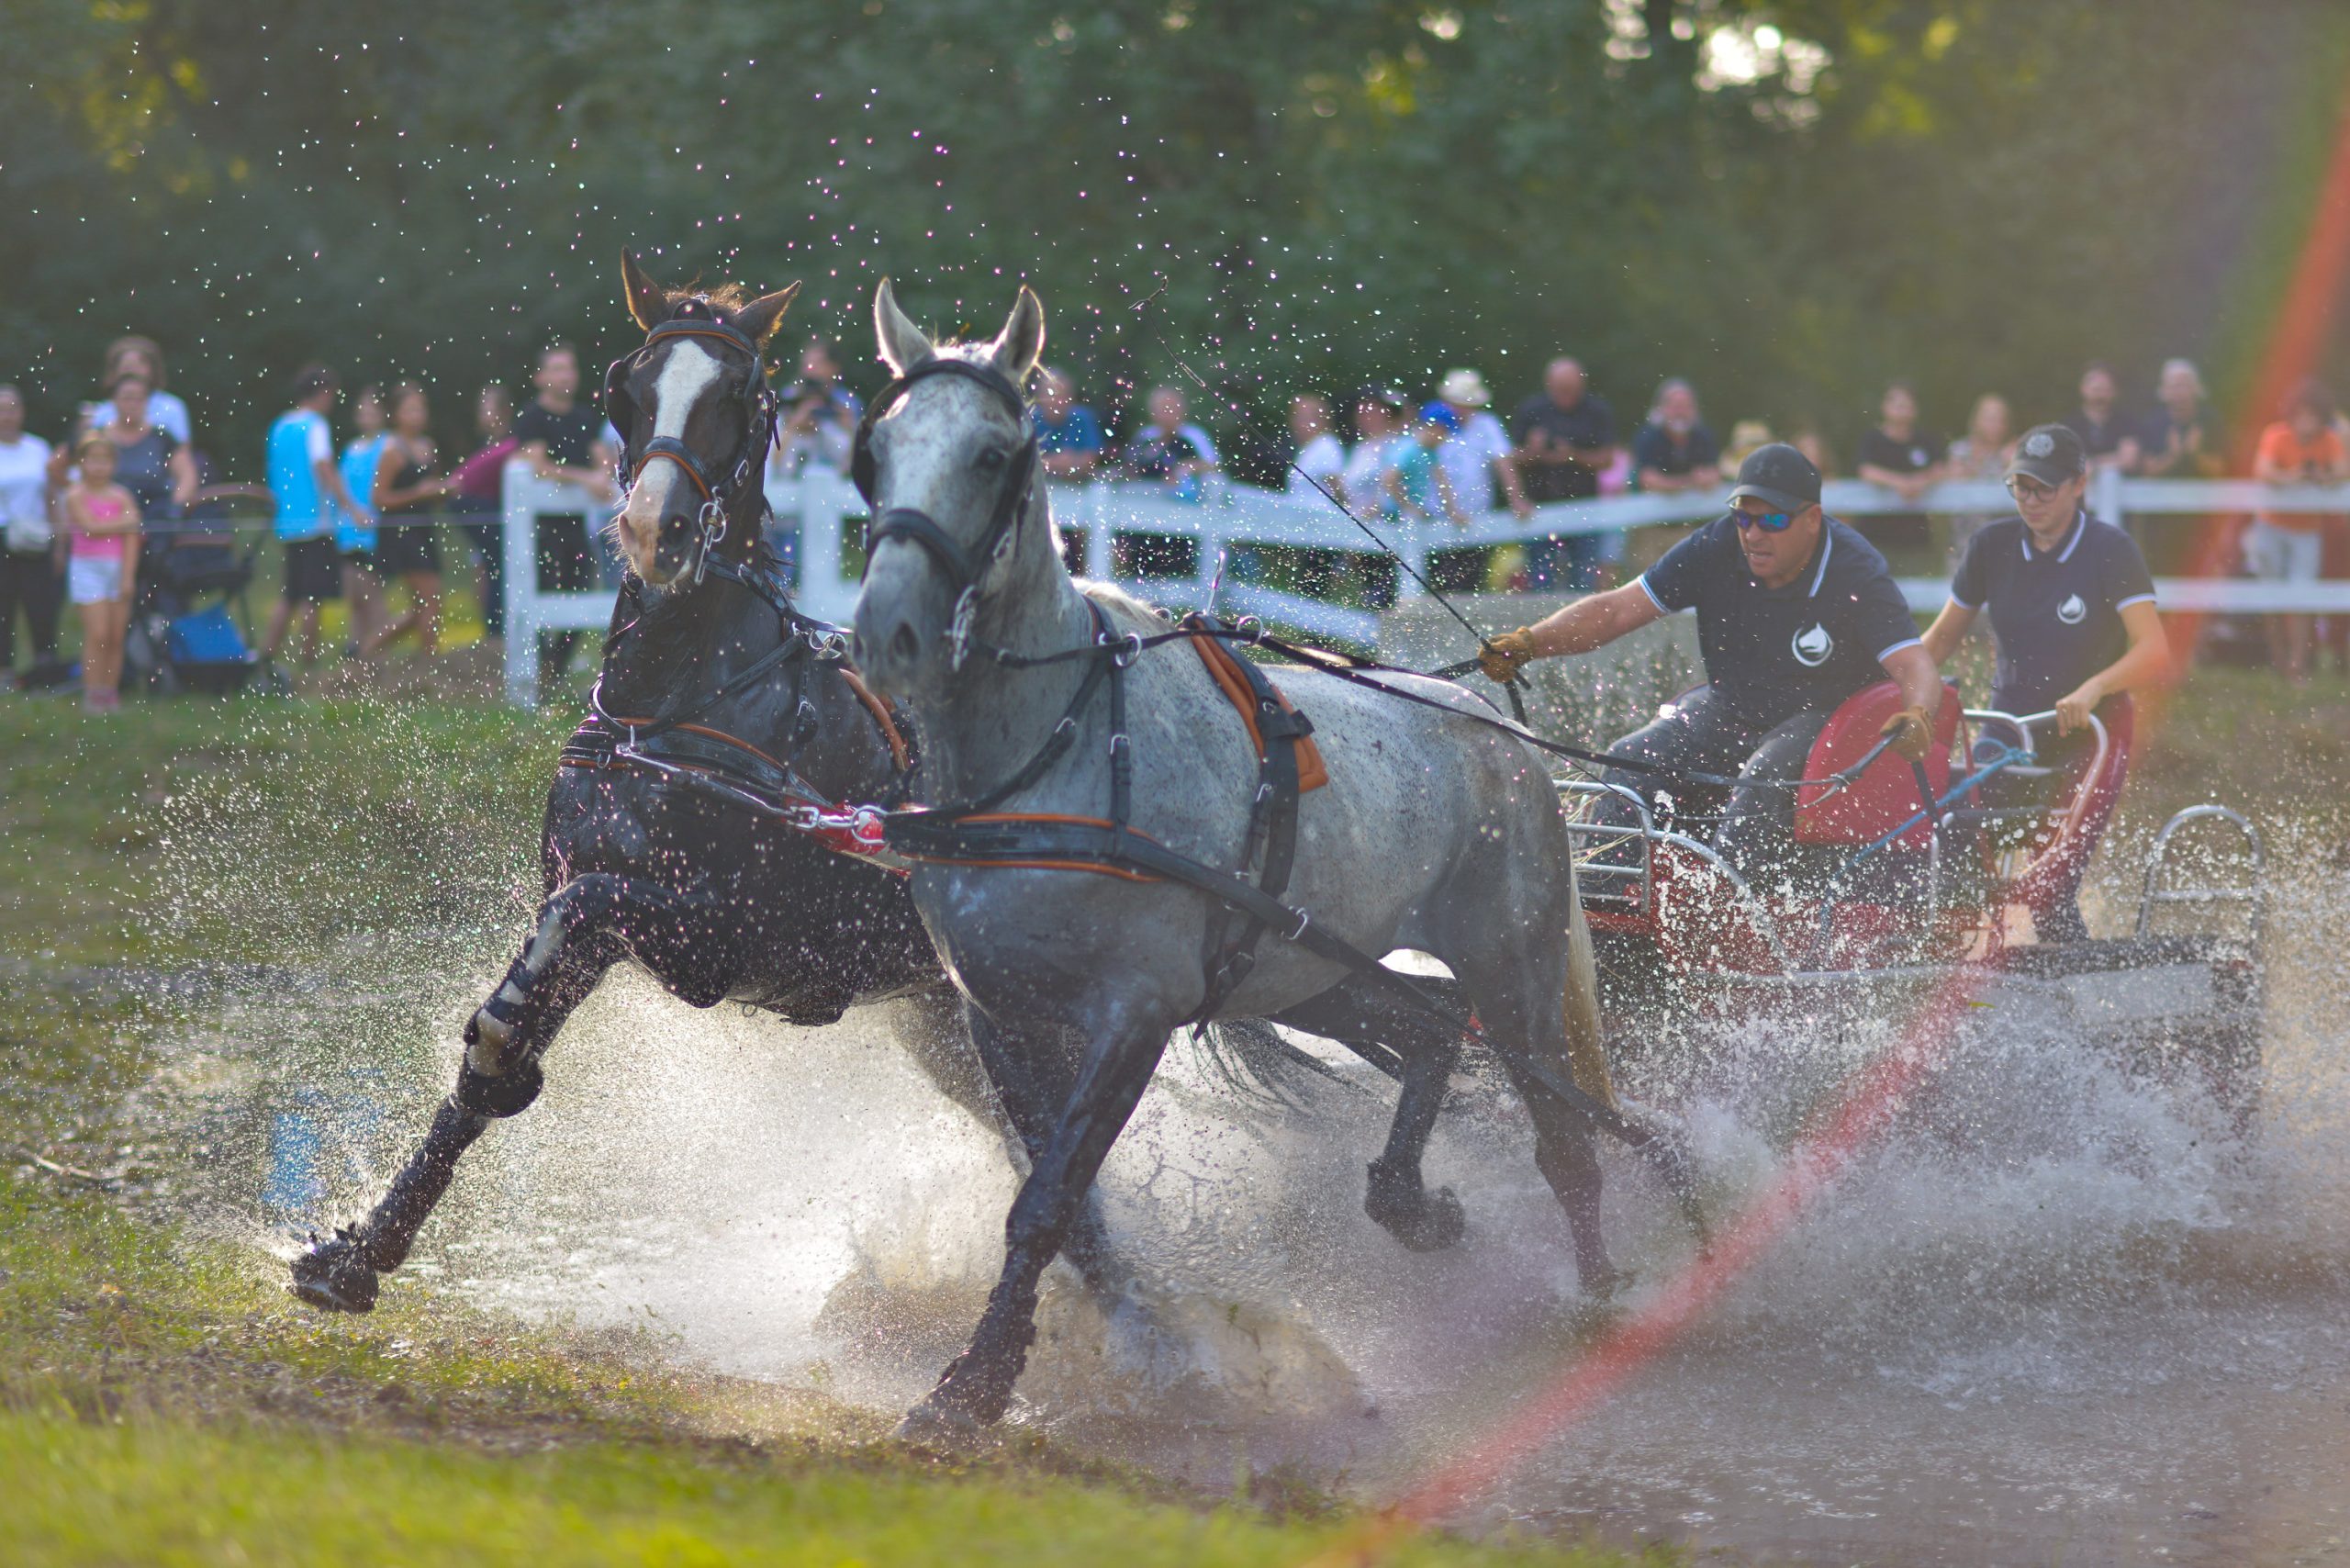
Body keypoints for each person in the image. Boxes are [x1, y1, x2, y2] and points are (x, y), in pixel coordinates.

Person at [1479, 443, 1941, 883]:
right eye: (1743, 517)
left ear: (1812, 520)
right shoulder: (1715, 546)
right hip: (1731, 707)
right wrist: (1529, 642)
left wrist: (1919, 713)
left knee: (1764, 776)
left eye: (1772, 520)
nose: (1753, 534)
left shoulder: (1855, 569)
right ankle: (1605, 901)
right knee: (1630, 759)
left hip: (1823, 719)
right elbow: (1616, 610)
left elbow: (1915, 665)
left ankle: (1721, 915)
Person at [1919, 424, 2168, 943]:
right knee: (1954, 830)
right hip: (2011, 727)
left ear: (2079, 485)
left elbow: (2154, 652)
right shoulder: (1991, 546)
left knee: (2048, 883)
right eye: (2021, 487)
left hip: (2094, 735)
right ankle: (1949, 958)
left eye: (2044, 489)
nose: (2030, 501)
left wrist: (2094, 688)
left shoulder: (2110, 549)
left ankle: (2072, 973)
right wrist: (1883, 689)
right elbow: (1940, 639)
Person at [512, 342, 617, 687]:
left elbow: (602, 458)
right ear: (540, 376)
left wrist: (602, 474)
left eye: (570, 368)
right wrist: (587, 479)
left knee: (582, 593)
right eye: (557, 368)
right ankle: (538, 673)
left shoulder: (585, 417)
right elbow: (539, 466)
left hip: (576, 525)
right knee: (543, 595)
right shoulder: (532, 417)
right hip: (541, 527)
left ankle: (553, 673)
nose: (566, 375)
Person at [261, 365, 370, 668]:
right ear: (323, 393)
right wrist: (351, 507)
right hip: (315, 522)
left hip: (288, 522)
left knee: (290, 595)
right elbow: (323, 467)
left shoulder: (280, 426)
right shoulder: (316, 425)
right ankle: (307, 662)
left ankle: (265, 657)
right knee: (313, 597)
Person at [2246, 378, 2349, 684]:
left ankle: (2298, 665)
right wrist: (2292, 477)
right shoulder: (2276, 435)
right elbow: (2263, 470)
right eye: (2302, 414)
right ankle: (2278, 660)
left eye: (2313, 415)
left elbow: (2342, 470)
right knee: (2271, 594)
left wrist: (2321, 477)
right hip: (2272, 525)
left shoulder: (2329, 439)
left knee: (2302, 595)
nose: (2306, 421)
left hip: (2307, 529)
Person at [1511, 357, 1619, 589]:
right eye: (1561, 388)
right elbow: (1511, 459)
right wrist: (1534, 451)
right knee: (1541, 581)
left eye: (1571, 388)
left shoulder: (1596, 411)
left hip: (1584, 510)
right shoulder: (1532, 410)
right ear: (1549, 384)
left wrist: (1574, 456)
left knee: (1584, 581)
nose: (1566, 394)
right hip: (1540, 510)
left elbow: (1608, 459)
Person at [366, 385, 450, 656]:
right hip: (401, 532)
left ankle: (367, 650)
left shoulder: (428, 447)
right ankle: (430, 660)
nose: (417, 415)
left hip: (424, 528)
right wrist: (417, 493)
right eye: (410, 409)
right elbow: (378, 497)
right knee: (430, 599)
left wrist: (443, 490)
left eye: (421, 408)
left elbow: (431, 488)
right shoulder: (392, 451)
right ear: (396, 415)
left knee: (422, 606)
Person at [61, 433, 141, 712]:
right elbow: (90, 527)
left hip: (117, 568)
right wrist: (126, 521)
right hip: (87, 568)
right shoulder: (75, 495)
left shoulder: (121, 496)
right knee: (98, 633)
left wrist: (128, 576)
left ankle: (109, 691)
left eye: (104, 460)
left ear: (113, 464)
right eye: (92, 460)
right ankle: (92, 692)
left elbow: (131, 538)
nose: (98, 467)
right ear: (81, 463)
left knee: (116, 636)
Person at [2134, 359, 2224, 577]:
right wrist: (2172, 456)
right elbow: (2146, 472)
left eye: (2185, 384)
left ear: (2197, 389)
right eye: (2174, 385)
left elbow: (2221, 470)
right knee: (2162, 576)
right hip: (2160, 522)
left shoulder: (2210, 421)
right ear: (2163, 392)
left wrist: (2196, 454)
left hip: (2202, 521)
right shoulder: (2154, 422)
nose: (2180, 392)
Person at [0, 386, 62, 686]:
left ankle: (44, 668)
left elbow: (51, 495)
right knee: (2, 605)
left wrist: (60, 540)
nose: (6, 416)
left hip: (36, 535)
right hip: (2, 536)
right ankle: (4, 670)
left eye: (11, 408)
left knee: (41, 604)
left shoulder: (38, 448)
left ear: (21, 412)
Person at [448, 385, 517, 639]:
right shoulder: (488, 445)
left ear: (504, 410)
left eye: (487, 407)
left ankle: (498, 631)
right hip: (487, 517)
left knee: (498, 570)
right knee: (487, 572)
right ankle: (493, 631)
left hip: (498, 517)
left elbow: (464, 478)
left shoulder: (510, 443)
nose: (482, 414)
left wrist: (457, 479)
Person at [81, 373, 197, 523]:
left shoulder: (163, 438)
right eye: (127, 398)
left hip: (154, 517)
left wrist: (174, 507)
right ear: (114, 400)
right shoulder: (96, 437)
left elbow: (187, 476)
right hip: (103, 517)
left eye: (139, 399)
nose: (133, 404)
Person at [1852, 381, 1943, 559]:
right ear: (1884, 407)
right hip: (1876, 537)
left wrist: (1921, 482)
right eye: (1897, 405)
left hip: (1915, 536)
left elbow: (1941, 469)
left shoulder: (1925, 440)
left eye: (1907, 405)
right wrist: (1900, 483)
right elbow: (1866, 471)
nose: (1902, 410)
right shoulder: (1872, 440)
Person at [334, 386, 390, 657]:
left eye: (372, 411)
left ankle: (378, 648)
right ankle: (356, 645)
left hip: (373, 530)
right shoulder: (350, 449)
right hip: (348, 531)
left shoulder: (387, 445)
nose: (367, 417)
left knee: (372, 593)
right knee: (354, 594)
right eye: (363, 411)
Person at [1942, 393, 2018, 566]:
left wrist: (2013, 462)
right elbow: (1953, 479)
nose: (1995, 424)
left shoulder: (2014, 452)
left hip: (2005, 545)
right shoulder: (1960, 450)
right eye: (1989, 418)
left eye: (2001, 419)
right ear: (1976, 420)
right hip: (1965, 544)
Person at [774, 335, 862, 476]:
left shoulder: (848, 404)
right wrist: (793, 425)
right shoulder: (789, 398)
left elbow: (855, 466)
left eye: (817, 363)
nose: (810, 369)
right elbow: (771, 462)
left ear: (833, 367)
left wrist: (851, 429)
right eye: (807, 363)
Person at [83, 336, 193, 447]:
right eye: (127, 366)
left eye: (138, 365)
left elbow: (182, 449)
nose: (132, 371)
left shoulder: (171, 408)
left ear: (152, 369)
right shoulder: (103, 412)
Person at [1123, 386, 1219, 498]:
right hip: (1145, 497)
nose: (1167, 414)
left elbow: (1215, 467)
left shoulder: (1193, 435)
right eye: (1162, 409)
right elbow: (1131, 466)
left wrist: (1187, 469)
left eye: (1171, 408)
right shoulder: (1146, 436)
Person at [1632, 378, 1723, 495]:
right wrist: (1690, 481)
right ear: (1661, 409)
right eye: (1675, 406)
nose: (1680, 412)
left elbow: (1715, 473)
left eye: (1686, 406)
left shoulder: (1703, 435)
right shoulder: (1648, 436)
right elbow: (1647, 480)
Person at [1385, 404, 1467, 528]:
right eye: (1445, 433)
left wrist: (1453, 512)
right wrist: (1410, 508)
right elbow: (1389, 481)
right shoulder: (1409, 450)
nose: (1445, 439)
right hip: (1392, 516)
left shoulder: (1430, 452)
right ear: (1435, 428)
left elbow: (1442, 481)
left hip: (1409, 516)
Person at [2064, 363, 2141, 474]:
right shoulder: (2068, 426)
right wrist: (2113, 459)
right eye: (2096, 390)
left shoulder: (2127, 422)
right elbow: (2064, 463)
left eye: (2106, 390)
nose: (2101, 396)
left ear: (2115, 392)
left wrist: (2093, 463)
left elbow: (2129, 461)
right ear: (2083, 389)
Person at [1032, 367, 1105, 481]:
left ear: (1071, 398)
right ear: (1040, 397)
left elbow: (1092, 459)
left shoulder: (1082, 418)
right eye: (1051, 395)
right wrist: (1062, 462)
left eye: (1062, 395)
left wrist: (1048, 462)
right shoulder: (1031, 420)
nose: (1056, 401)